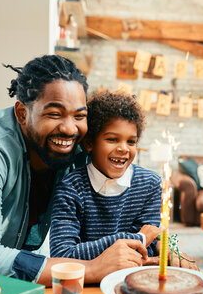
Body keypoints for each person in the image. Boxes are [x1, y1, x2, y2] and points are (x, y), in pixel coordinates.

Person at [0, 55, 149, 285]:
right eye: (54, 114)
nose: (70, 128)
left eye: (79, 115)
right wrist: (88, 269)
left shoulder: (79, 145)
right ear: (22, 113)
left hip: (9, 286)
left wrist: (166, 247)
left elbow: (126, 178)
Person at [49, 91, 163, 260]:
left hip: (132, 277)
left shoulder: (150, 185)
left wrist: (149, 242)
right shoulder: (71, 187)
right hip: (87, 283)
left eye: (131, 142)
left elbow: (148, 249)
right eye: (112, 139)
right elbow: (63, 254)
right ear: (89, 143)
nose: (124, 148)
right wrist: (138, 238)